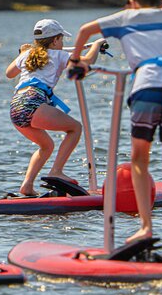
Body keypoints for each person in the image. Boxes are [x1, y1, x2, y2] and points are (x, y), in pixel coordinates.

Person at [68, 0, 162, 257]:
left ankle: (146, 227)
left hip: (147, 87)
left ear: (132, 1)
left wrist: (76, 62)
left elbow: (85, 30)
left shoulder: (126, 17)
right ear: (161, 2)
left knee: (140, 160)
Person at [6, 19, 104, 196]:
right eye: (61, 39)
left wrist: (22, 52)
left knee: (47, 146)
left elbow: (9, 73)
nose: (62, 43)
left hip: (15, 107)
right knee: (75, 128)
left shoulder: (27, 55)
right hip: (33, 101)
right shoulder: (59, 55)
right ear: (55, 41)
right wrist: (97, 44)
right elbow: (87, 61)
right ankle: (56, 171)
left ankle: (27, 185)